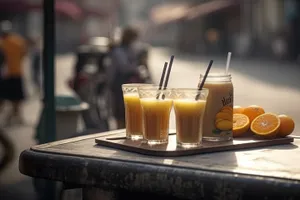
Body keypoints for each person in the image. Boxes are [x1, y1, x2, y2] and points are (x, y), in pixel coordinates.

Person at [108, 26, 141, 129]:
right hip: (120, 85)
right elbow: (124, 67)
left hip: (126, 84)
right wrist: (137, 67)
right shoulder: (118, 51)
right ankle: (121, 131)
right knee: (121, 112)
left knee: (129, 111)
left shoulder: (128, 49)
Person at [0, 21, 27, 125]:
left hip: (5, 75)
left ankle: (13, 117)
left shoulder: (1, 43)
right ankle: (16, 117)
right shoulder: (18, 41)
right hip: (16, 73)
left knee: (3, 98)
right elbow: (24, 54)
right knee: (17, 98)